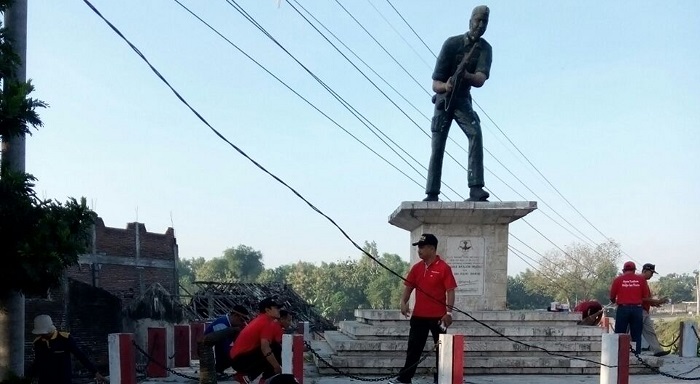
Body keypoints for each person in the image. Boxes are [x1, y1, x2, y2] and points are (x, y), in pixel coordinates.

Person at [423, 5, 492, 202]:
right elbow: (435, 83)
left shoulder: (485, 49)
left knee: (475, 133)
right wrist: (446, 86)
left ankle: (476, 187)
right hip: (444, 100)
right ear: (470, 21)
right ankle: (432, 192)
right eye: (477, 20)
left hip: (462, 99)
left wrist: (465, 75)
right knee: (438, 145)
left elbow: (479, 79)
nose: (480, 25)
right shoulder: (451, 44)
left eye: (484, 22)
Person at [392, 234, 457, 384]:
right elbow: (408, 287)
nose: (419, 250)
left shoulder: (443, 268)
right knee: (414, 348)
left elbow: (451, 291)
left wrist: (449, 313)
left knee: (442, 350)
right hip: (419, 316)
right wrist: (403, 301)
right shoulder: (417, 268)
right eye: (418, 247)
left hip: (438, 317)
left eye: (422, 247)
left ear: (432, 248)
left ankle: (441, 379)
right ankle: (405, 378)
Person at [25, 314, 106, 384]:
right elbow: (37, 362)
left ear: (50, 329)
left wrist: (95, 372)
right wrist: (27, 377)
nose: (42, 335)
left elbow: (80, 356)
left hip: (63, 380)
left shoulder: (65, 339)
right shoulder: (38, 342)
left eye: (43, 333)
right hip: (45, 381)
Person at [230, 297, 284, 384]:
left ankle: (253, 377)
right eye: (276, 308)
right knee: (275, 349)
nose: (279, 310)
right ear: (267, 310)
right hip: (240, 360)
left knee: (274, 349)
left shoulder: (262, 319)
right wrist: (277, 366)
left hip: (238, 358)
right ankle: (250, 377)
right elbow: (265, 348)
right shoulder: (266, 322)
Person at [609, 261, 650, 354]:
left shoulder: (618, 280)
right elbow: (645, 296)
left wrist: (614, 301)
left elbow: (612, 296)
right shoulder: (641, 280)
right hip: (637, 309)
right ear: (634, 270)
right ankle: (636, 354)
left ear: (623, 270)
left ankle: (618, 354)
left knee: (620, 333)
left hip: (623, 309)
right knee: (636, 334)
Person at [204, 304, 250, 374]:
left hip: (217, 345)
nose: (242, 323)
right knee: (231, 354)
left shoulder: (229, 323)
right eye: (241, 320)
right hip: (205, 348)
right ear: (235, 316)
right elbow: (226, 349)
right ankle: (217, 370)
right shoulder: (222, 325)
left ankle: (219, 370)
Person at [640, 263, 670, 357]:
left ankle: (657, 350)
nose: (652, 275)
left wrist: (657, 303)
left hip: (644, 310)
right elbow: (642, 298)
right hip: (639, 310)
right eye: (651, 273)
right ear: (645, 271)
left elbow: (647, 299)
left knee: (649, 331)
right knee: (633, 332)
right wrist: (657, 301)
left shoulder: (644, 282)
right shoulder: (640, 281)